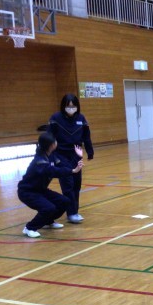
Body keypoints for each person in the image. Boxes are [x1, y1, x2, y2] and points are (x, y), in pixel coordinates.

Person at [17, 132, 84, 238]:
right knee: (49, 208)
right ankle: (30, 228)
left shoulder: (52, 156)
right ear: (51, 145)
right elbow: (54, 171)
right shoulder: (39, 161)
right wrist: (73, 171)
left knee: (64, 201)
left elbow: (64, 166)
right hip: (27, 192)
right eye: (55, 141)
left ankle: (48, 221)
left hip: (41, 190)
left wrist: (77, 157)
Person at [47, 94, 94, 224]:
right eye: (68, 106)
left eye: (74, 106)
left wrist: (90, 151)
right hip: (61, 155)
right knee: (68, 185)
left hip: (76, 155)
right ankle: (71, 213)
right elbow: (49, 138)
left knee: (76, 185)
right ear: (63, 106)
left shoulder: (81, 119)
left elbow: (86, 136)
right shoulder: (55, 118)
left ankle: (75, 211)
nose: (71, 109)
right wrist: (51, 157)